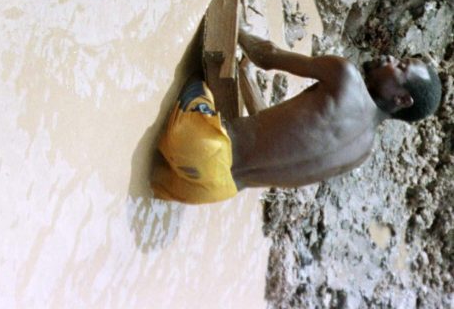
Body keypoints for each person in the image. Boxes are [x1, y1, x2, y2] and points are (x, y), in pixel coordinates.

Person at [151, 22, 442, 204]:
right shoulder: (360, 153)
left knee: (191, 80)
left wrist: (235, 29)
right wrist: (247, 80)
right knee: (146, 175)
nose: (391, 58)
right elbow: (273, 139)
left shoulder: (346, 76)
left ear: (402, 99)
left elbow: (267, 56)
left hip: (201, 148)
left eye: (400, 66)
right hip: (212, 192)